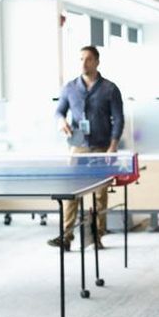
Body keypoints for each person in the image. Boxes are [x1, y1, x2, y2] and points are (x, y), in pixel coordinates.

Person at [51, 45, 125, 250]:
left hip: (102, 147)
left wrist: (113, 146)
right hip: (78, 147)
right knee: (71, 191)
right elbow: (58, 112)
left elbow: (118, 120)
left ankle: (97, 234)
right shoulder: (69, 87)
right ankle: (66, 236)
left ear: (97, 62)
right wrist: (60, 122)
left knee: (100, 194)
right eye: (81, 58)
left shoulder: (110, 88)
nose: (84, 62)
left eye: (88, 59)